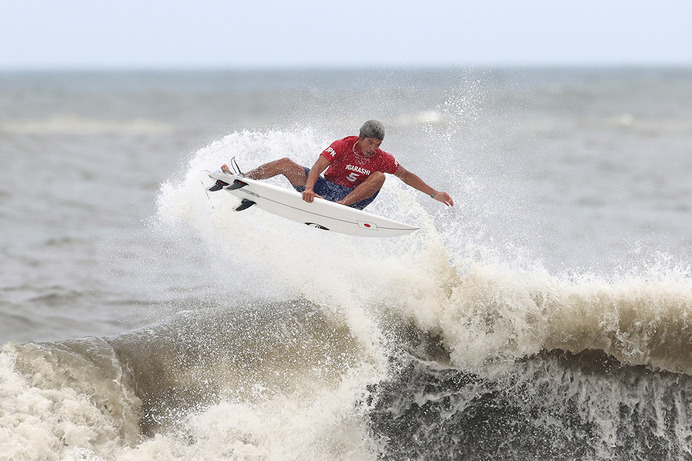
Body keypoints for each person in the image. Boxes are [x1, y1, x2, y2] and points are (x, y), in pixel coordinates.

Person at [220, 120, 454, 210]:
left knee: (381, 176)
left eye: (377, 144)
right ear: (360, 136)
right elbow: (317, 167)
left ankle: (339, 206)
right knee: (285, 163)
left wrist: (434, 194)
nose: (373, 148)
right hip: (324, 190)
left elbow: (406, 176)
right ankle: (243, 178)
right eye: (370, 142)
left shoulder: (382, 158)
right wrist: (310, 189)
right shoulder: (343, 145)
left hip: (352, 200)